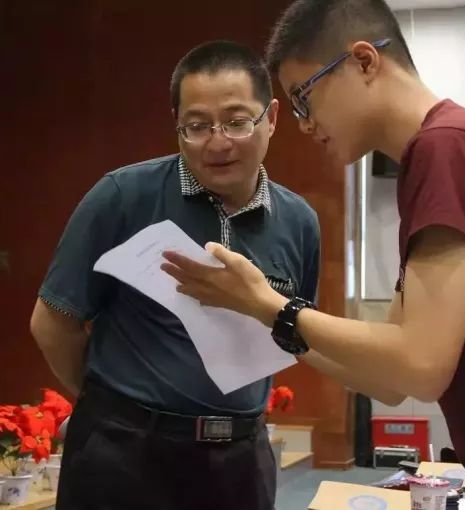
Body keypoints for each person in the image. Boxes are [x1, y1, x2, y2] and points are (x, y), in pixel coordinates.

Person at [160, 1, 465, 509]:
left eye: (304, 97)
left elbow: (421, 365)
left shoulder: (449, 148)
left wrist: (270, 304)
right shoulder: (448, 150)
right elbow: (391, 380)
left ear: (364, 61)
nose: (305, 124)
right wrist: (267, 320)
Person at [30, 40, 320, 510]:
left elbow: (295, 335)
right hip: (124, 455)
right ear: (177, 125)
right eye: (197, 126)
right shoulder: (122, 196)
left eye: (237, 121)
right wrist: (111, 408)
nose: (218, 142)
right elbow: (52, 323)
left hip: (240, 460)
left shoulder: (299, 222)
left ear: (270, 118)